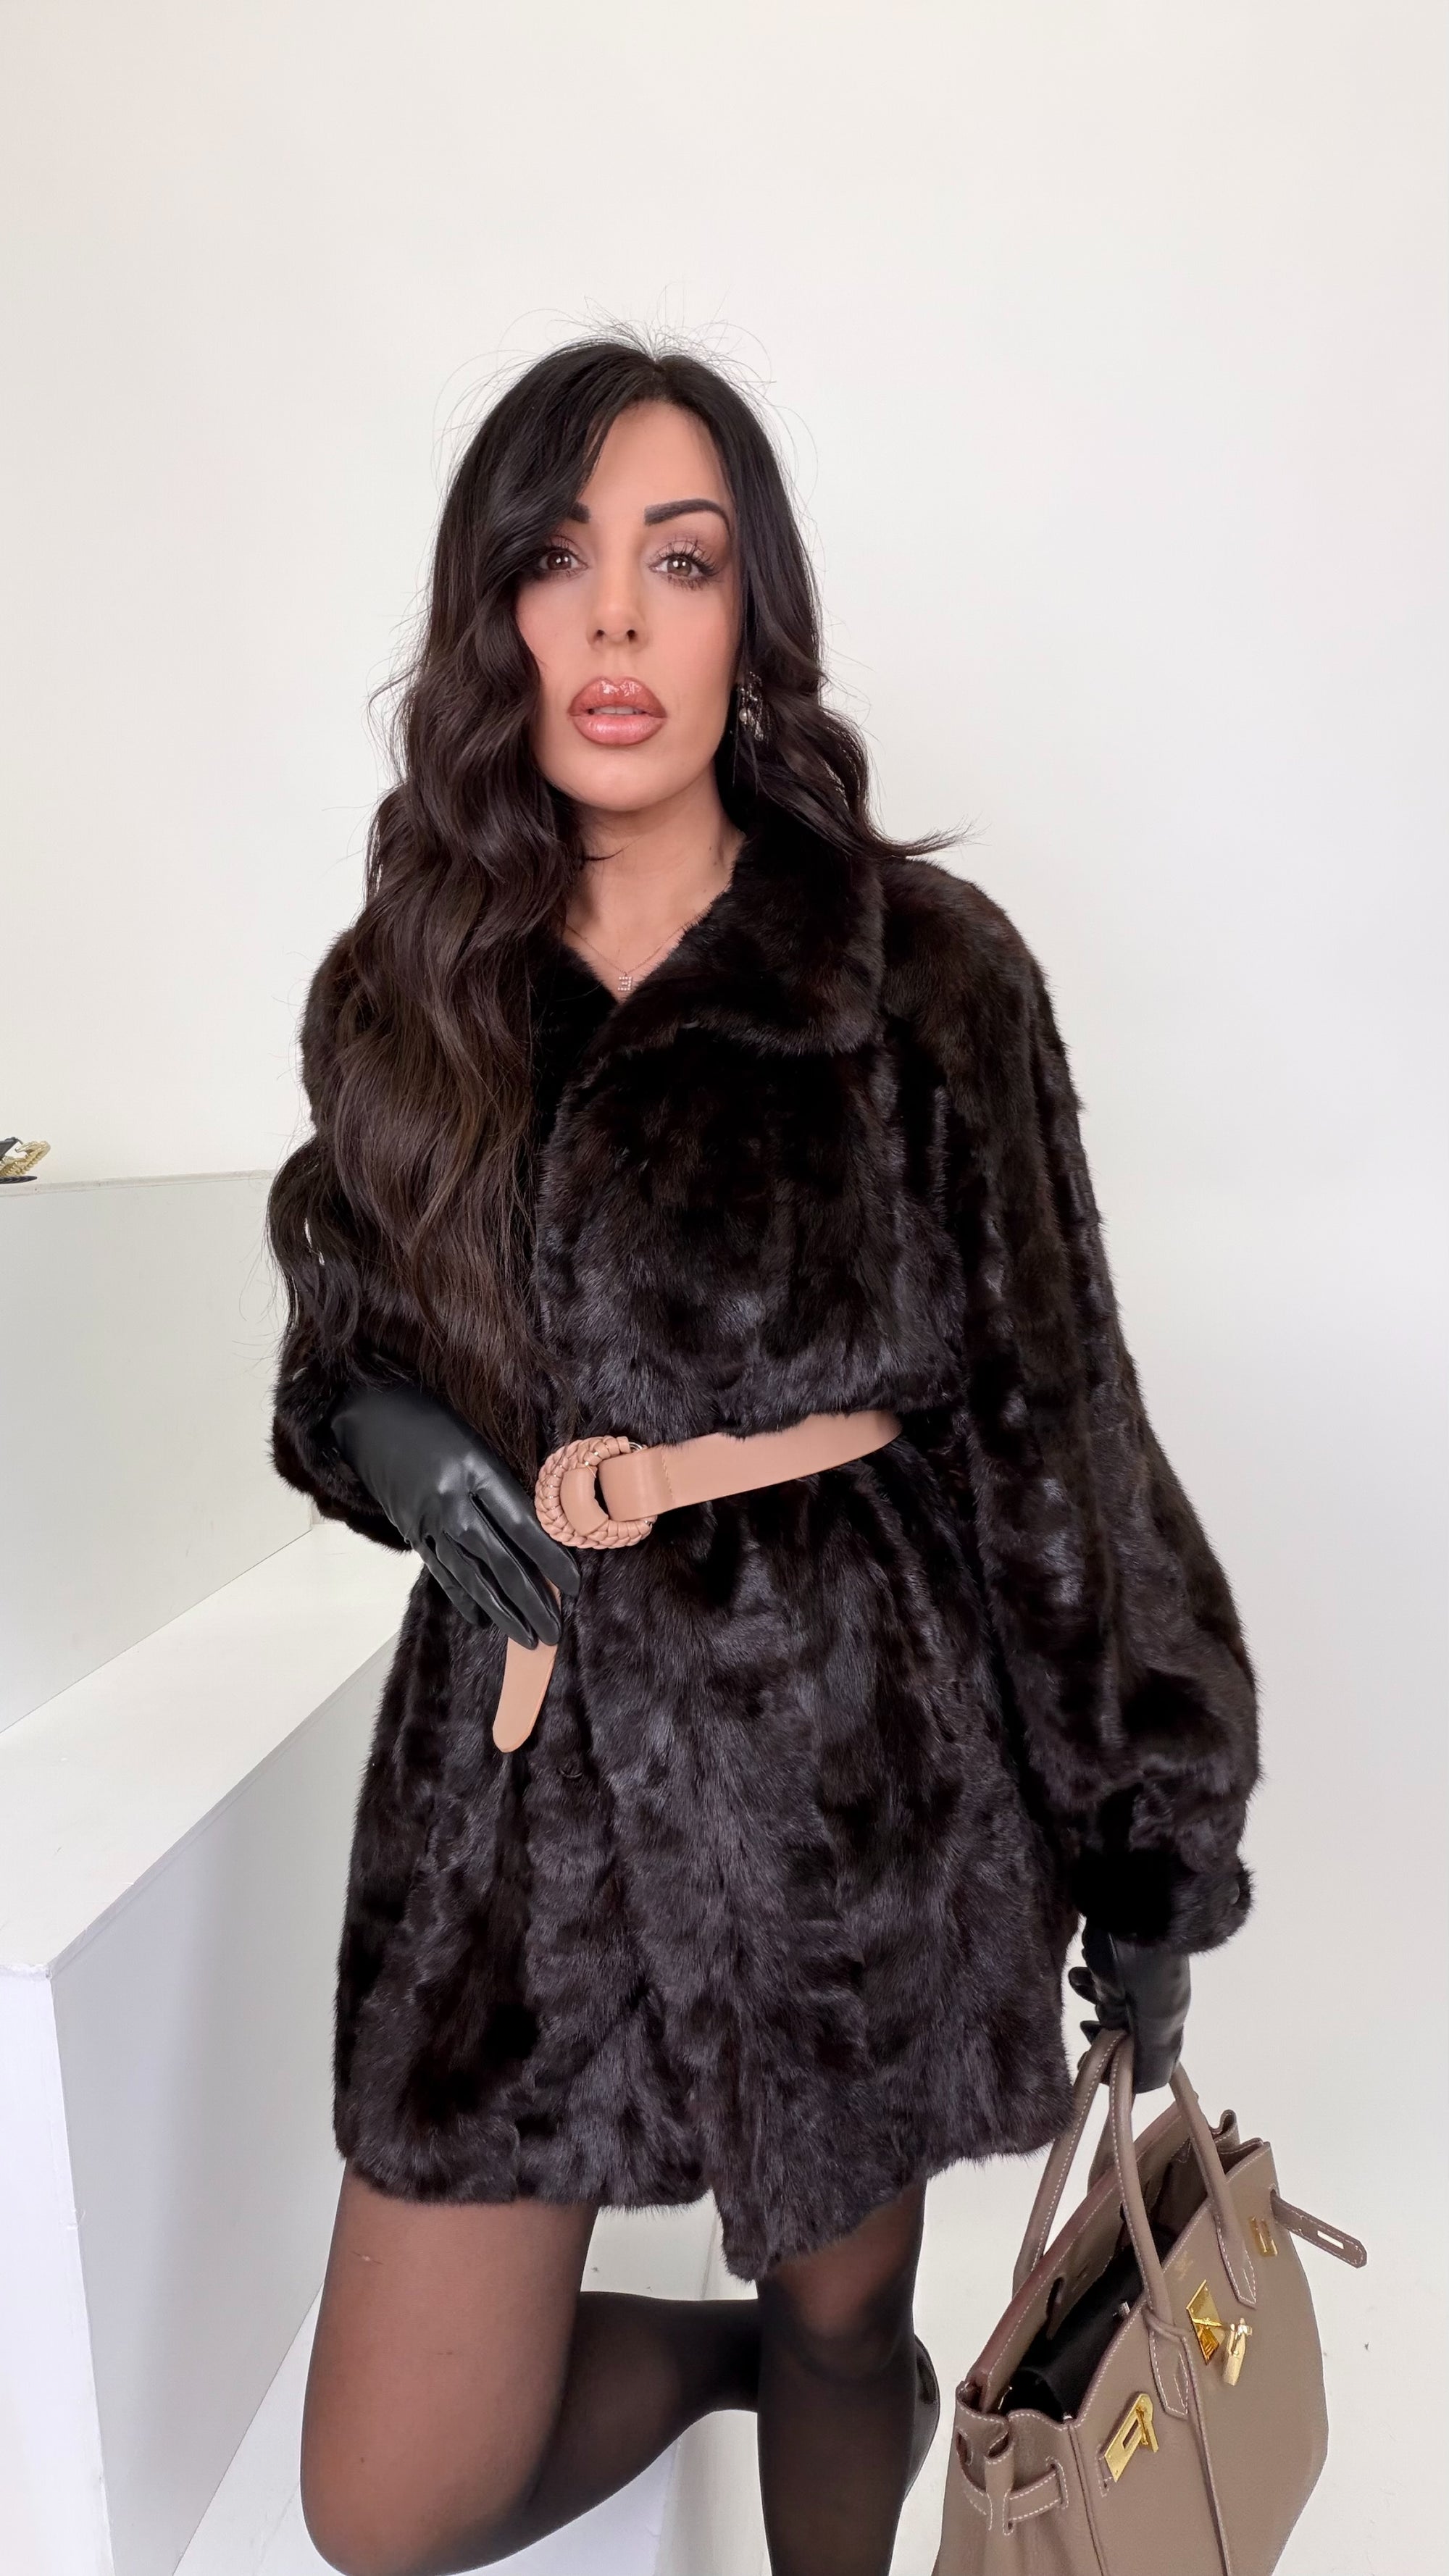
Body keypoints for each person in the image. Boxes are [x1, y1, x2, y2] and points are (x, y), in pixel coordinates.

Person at [265, 335, 1258, 2576]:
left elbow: (1061, 1423)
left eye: (682, 559)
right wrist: (397, 1435)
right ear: (494, 611)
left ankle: (823, 2379)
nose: (617, 616)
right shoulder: (407, 985)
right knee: (390, 2496)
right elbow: (334, 1350)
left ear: (751, 617)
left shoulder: (922, 975)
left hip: (845, 1768)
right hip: (511, 1787)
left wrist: (1149, 1847)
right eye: (559, 556)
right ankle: (753, 2366)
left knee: (840, 2312)